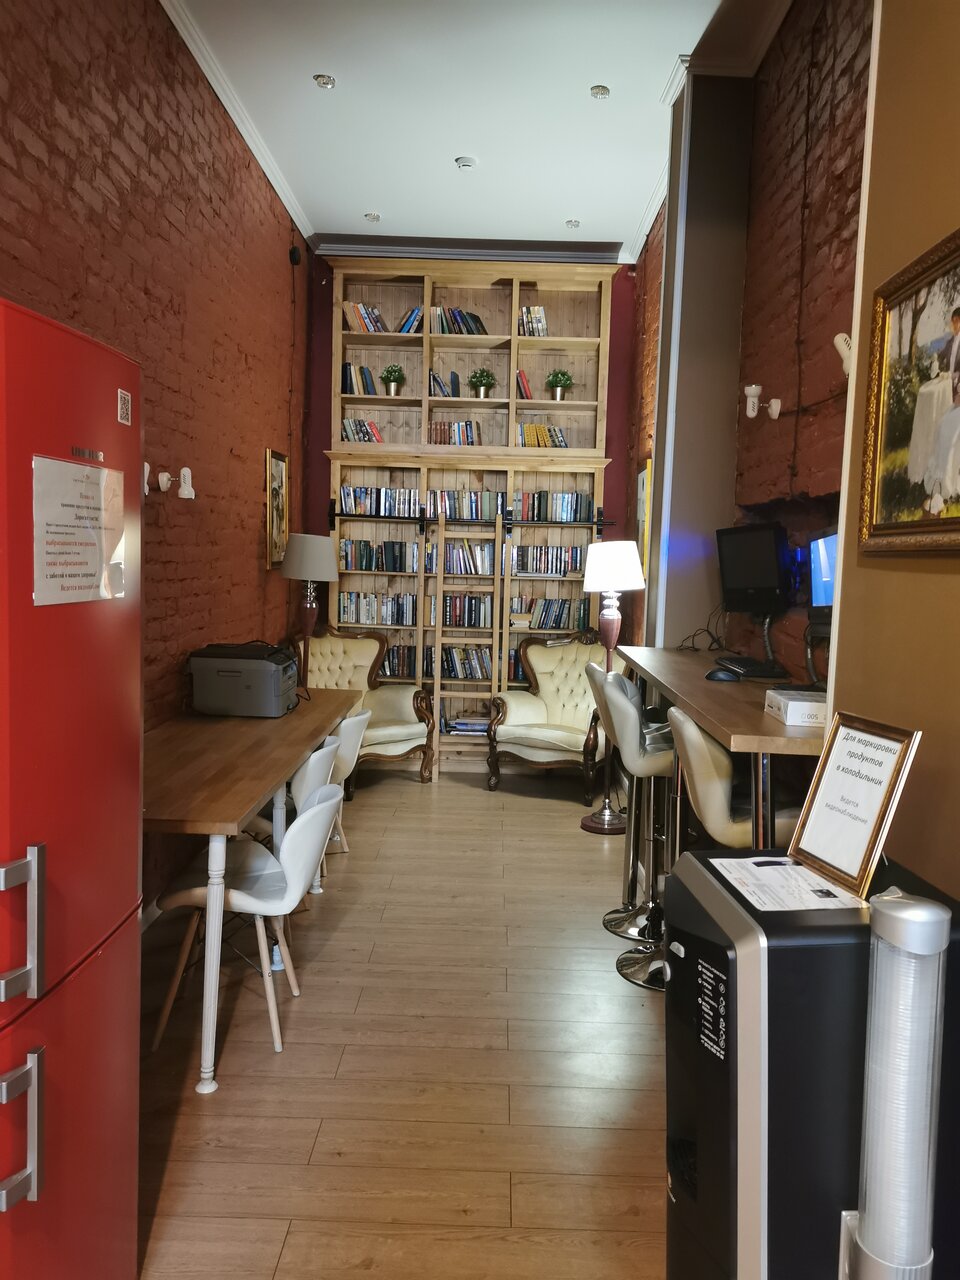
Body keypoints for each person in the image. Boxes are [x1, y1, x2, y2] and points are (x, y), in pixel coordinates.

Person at [937, 306, 960, 404]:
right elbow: (939, 357)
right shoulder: (949, 342)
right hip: (948, 387)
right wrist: (935, 361)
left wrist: (956, 375)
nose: (954, 324)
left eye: (956, 321)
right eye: (953, 321)